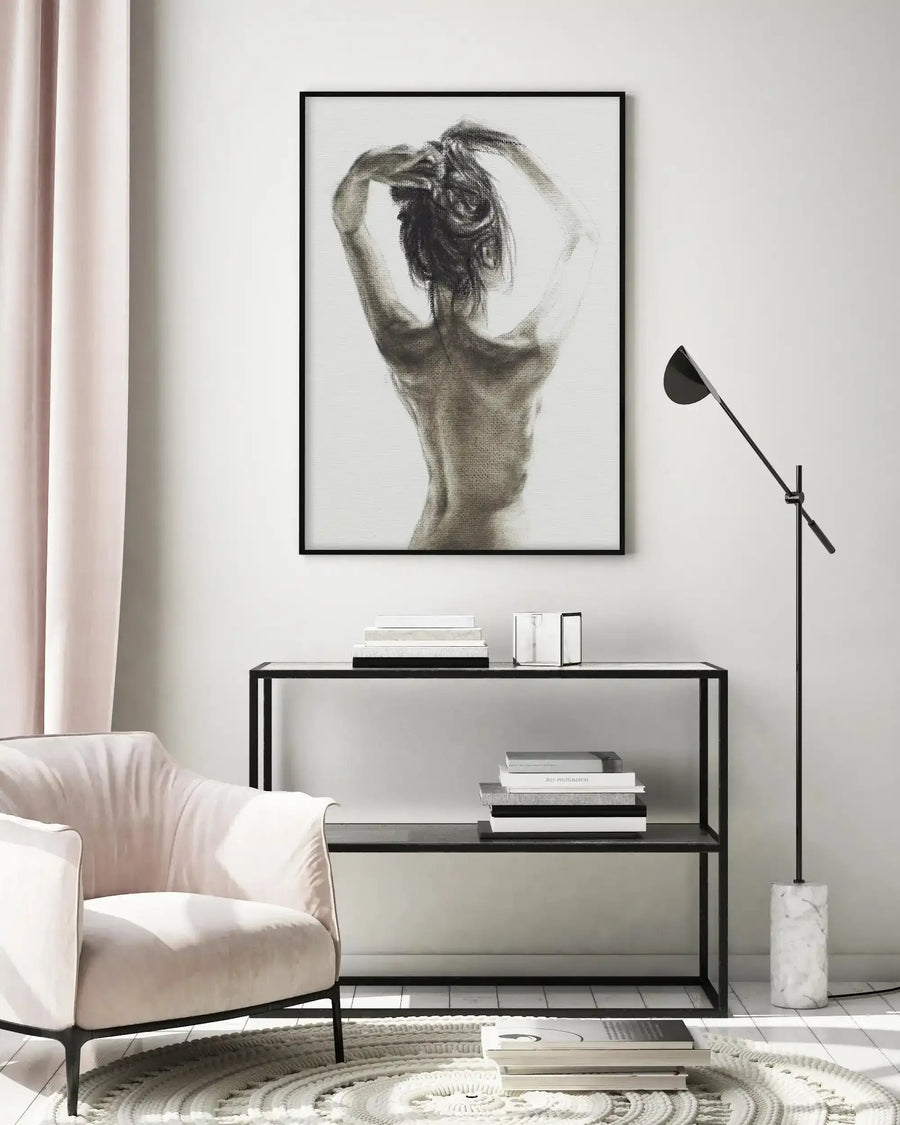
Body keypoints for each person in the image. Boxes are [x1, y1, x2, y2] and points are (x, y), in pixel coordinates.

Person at [332, 122, 598, 550]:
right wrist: (511, 148)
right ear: (490, 252)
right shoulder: (523, 359)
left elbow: (348, 227)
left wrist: (361, 172)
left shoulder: (401, 347)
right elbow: (584, 236)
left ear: (418, 256)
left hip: (423, 541)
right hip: (489, 547)